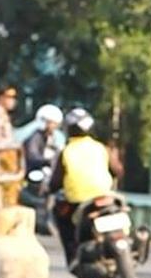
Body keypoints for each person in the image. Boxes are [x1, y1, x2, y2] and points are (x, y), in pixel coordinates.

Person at [49, 108, 123, 267]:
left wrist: (49, 189)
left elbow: (55, 182)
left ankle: (73, 256)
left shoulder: (66, 151)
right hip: (105, 196)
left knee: (62, 218)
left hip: (78, 200)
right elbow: (117, 171)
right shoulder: (101, 148)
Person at [23, 104, 64, 173]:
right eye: (52, 123)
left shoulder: (51, 136)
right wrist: (48, 161)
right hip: (35, 173)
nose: (55, 126)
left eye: (56, 124)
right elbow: (33, 157)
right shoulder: (36, 137)